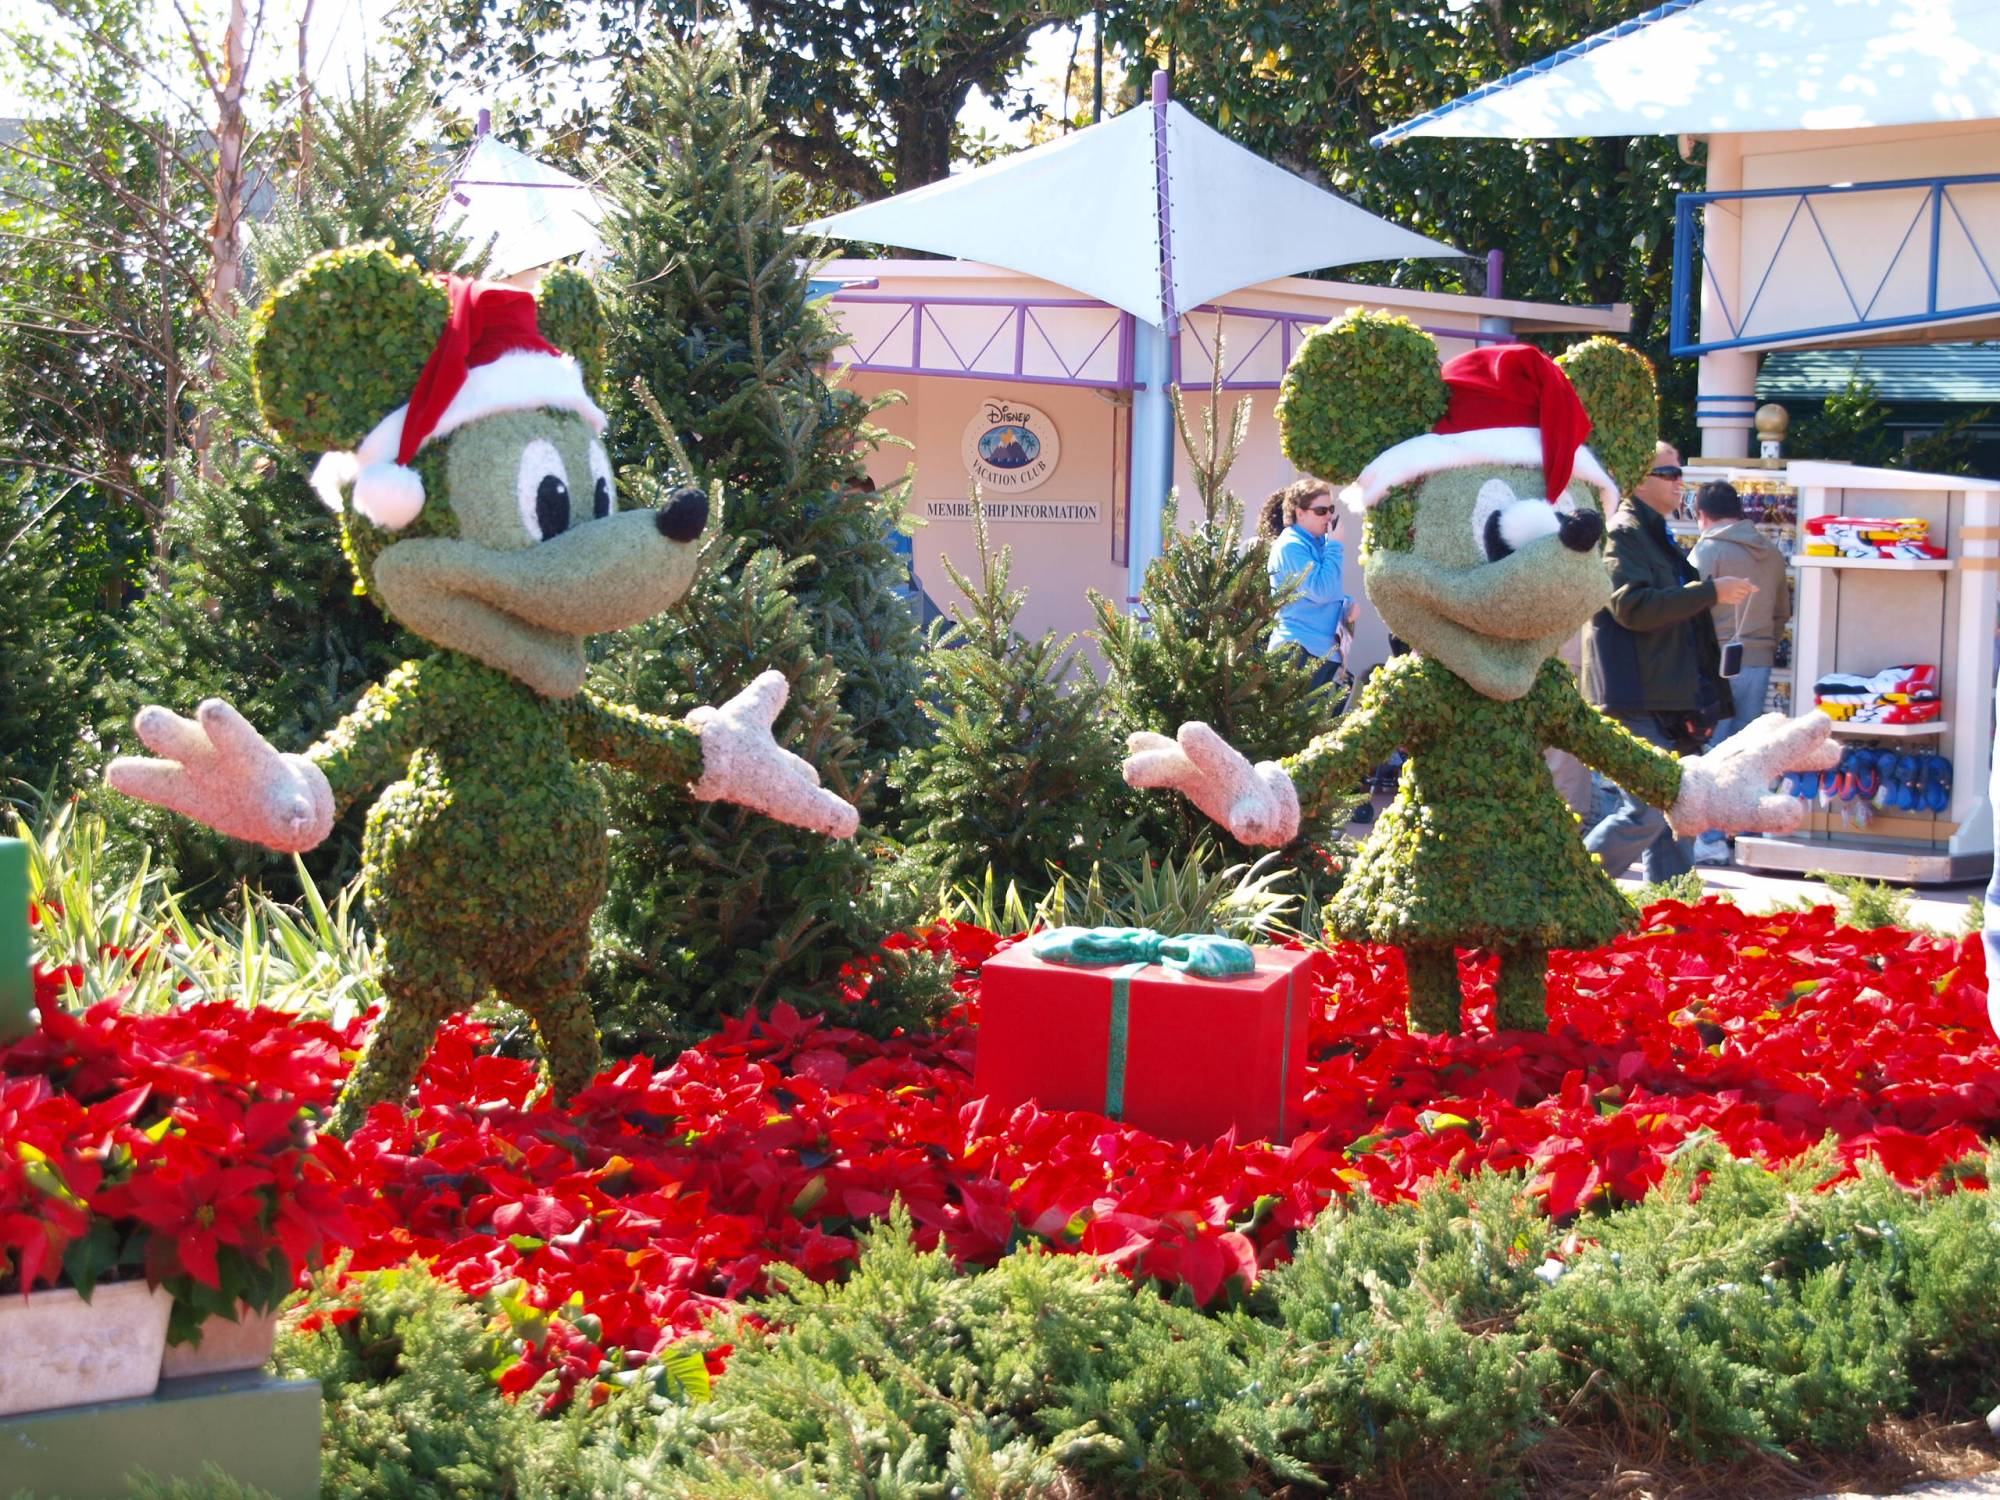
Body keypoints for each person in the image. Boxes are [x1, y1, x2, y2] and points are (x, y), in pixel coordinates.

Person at [1581, 442, 1757, 882]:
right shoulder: (1623, 532)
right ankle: (1568, 891)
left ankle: (1673, 917)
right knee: (1647, 812)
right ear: (1640, 479)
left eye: (1680, 473)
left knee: (1680, 813)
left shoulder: (1655, 534)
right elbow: (1631, 607)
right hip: (1633, 698)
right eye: (1671, 473)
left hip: (1664, 698)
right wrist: (1710, 592)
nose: (1681, 482)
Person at [1687, 479, 1792, 865]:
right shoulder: (1771, 552)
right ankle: (1740, 830)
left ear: (1702, 515)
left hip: (1717, 659)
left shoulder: (1708, 549)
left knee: (1713, 749)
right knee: (1747, 750)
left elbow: (1690, 607)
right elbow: (1782, 611)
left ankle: (1709, 837)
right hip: (1758, 658)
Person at [1264, 477, 1359, 692]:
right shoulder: (1291, 546)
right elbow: (1321, 591)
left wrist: (1346, 604)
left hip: (1318, 651)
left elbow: (1327, 590)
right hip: (1299, 652)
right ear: (1300, 512)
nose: (1329, 516)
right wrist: (1334, 545)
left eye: (1331, 509)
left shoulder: (1316, 542)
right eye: (1321, 511)